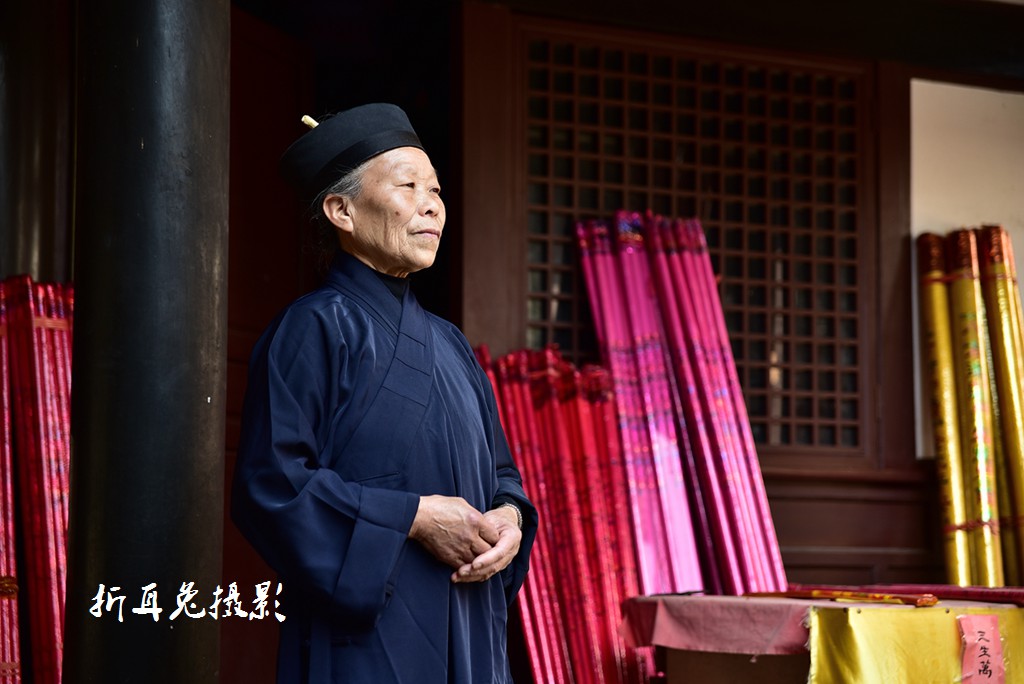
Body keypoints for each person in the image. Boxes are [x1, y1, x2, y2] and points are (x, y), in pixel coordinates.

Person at [231, 103, 537, 683]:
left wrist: (510, 519)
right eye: (408, 185)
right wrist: (413, 518)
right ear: (341, 210)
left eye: (435, 190)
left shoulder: (451, 344)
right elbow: (271, 485)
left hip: (469, 623)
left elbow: (502, 474)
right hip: (366, 636)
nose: (432, 204)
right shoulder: (315, 327)